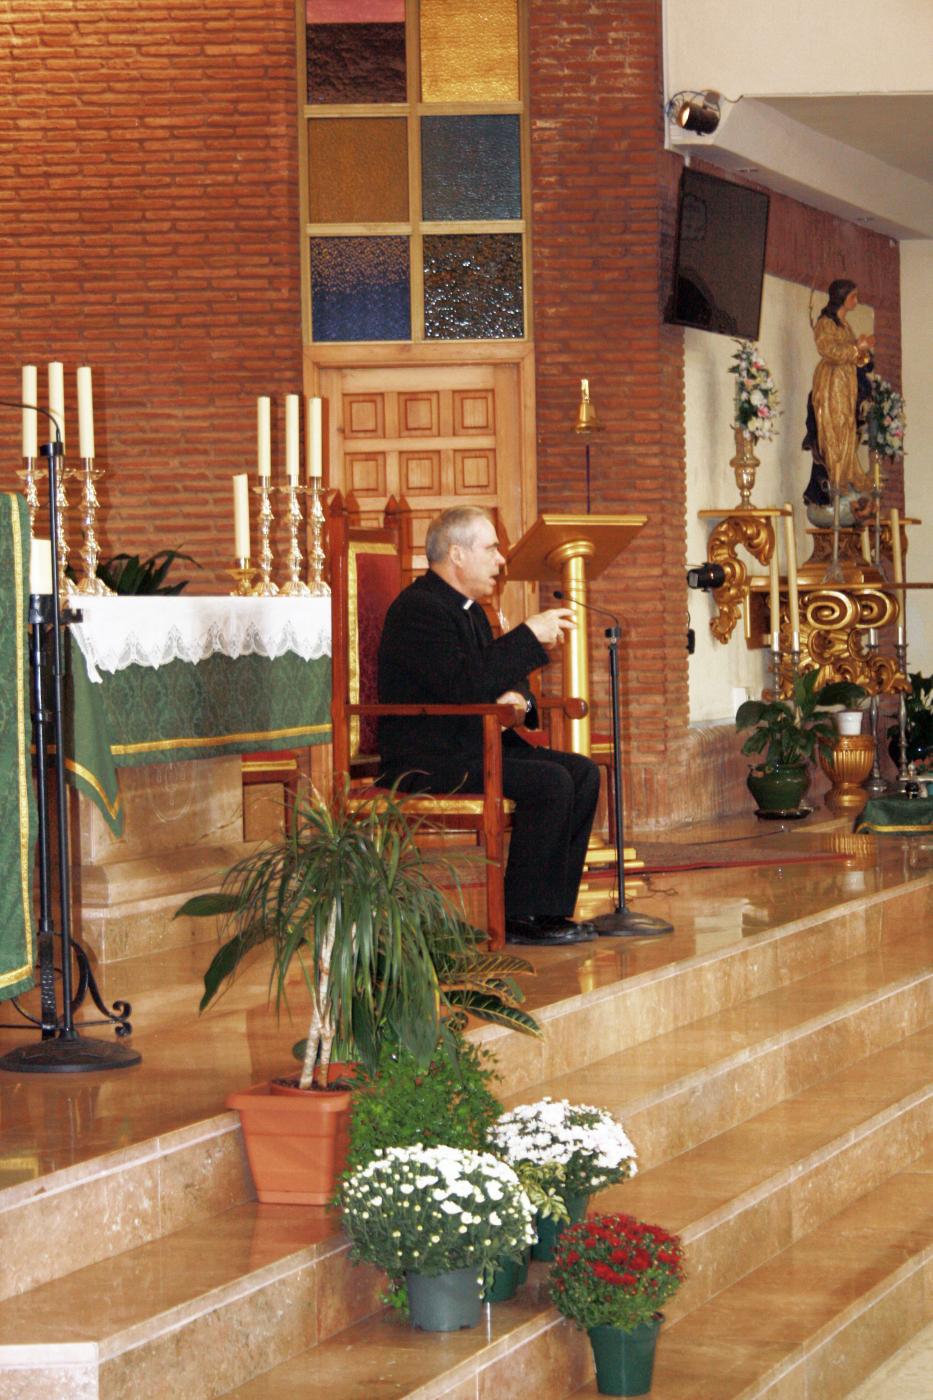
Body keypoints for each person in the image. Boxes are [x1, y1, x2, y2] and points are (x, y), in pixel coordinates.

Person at [377, 505, 601, 947]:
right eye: (492, 549)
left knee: (582, 772)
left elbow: (497, 674)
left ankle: (549, 912)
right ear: (457, 554)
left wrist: (519, 697)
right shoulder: (418, 610)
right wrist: (528, 635)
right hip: (428, 757)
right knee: (551, 781)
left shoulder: (470, 609)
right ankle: (519, 916)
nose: (501, 560)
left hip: (470, 745)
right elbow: (463, 684)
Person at [803, 279, 875, 504]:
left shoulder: (844, 324)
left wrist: (863, 351)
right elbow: (829, 350)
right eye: (853, 296)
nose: (856, 301)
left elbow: (853, 356)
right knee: (836, 427)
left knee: (848, 426)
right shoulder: (825, 322)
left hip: (847, 382)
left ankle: (846, 474)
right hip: (832, 382)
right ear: (841, 297)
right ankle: (837, 477)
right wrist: (857, 347)